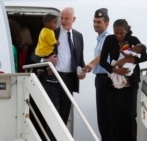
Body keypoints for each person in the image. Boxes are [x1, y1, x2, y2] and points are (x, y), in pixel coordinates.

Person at [37, 7, 86, 140]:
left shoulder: (78, 36)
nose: (63, 21)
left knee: (64, 115)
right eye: (62, 18)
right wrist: (46, 60)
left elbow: (80, 59)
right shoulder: (51, 33)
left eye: (66, 19)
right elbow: (35, 54)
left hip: (69, 80)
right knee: (54, 115)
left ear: (74, 19)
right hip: (52, 79)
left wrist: (82, 71)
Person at [100, 19, 147, 141]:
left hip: (130, 85)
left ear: (126, 31)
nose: (118, 36)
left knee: (130, 116)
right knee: (114, 116)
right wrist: (115, 70)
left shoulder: (133, 41)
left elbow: (145, 57)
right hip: (113, 85)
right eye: (116, 33)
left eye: (121, 33)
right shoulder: (109, 40)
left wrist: (128, 60)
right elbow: (102, 61)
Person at [83, 8, 110, 141]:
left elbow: (103, 54)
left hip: (106, 79)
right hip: (100, 79)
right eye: (94, 21)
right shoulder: (100, 39)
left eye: (99, 22)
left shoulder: (108, 38)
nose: (95, 24)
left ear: (107, 23)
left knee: (106, 116)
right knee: (102, 116)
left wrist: (91, 65)